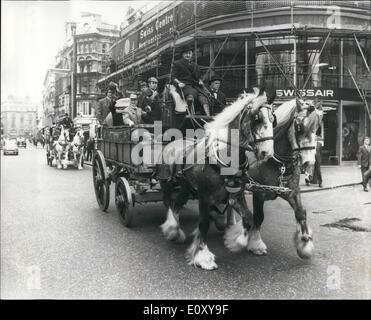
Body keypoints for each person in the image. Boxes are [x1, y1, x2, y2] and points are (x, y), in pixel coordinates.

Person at [171, 46, 210, 116]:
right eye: (186, 53)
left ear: (192, 54)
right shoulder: (177, 63)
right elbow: (173, 77)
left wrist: (200, 80)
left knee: (204, 97)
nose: (188, 55)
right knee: (190, 96)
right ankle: (189, 113)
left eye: (189, 53)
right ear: (182, 54)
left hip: (195, 85)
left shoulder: (195, 65)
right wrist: (179, 83)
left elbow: (199, 76)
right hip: (184, 85)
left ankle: (207, 115)